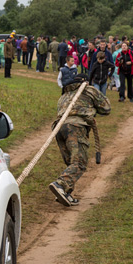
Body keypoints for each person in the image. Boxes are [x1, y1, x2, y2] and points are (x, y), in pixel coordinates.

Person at [49, 74, 111, 207]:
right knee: (79, 163)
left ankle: (65, 192)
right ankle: (60, 185)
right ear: (85, 82)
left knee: (72, 163)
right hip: (75, 127)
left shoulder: (64, 96)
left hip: (59, 129)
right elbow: (106, 108)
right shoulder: (89, 90)